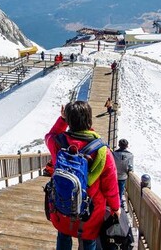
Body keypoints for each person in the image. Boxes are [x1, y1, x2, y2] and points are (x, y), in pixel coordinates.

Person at [45, 101, 120, 250]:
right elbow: (110, 187)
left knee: (63, 235)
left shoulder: (58, 143)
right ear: (90, 121)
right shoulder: (102, 151)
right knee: (89, 241)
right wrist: (115, 207)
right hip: (90, 210)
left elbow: (50, 135)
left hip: (63, 204)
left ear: (69, 121)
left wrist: (62, 119)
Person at [113, 139, 134, 210]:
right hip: (123, 176)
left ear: (119, 145)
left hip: (114, 176)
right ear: (127, 146)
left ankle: (114, 204)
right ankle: (118, 206)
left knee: (113, 190)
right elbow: (130, 167)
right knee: (120, 191)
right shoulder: (130, 155)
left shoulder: (114, 153)